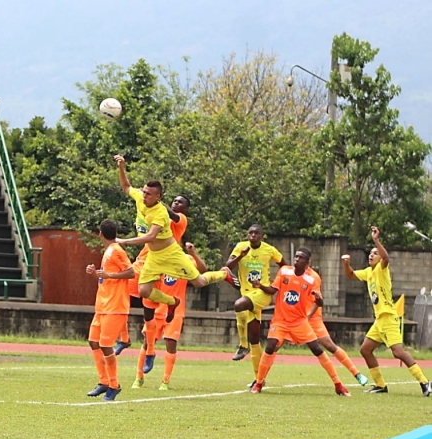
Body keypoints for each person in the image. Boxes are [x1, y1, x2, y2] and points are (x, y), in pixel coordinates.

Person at [113, 155, 231, 326]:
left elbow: (150, 236)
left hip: (170, 254)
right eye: (144, 192)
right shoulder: (140, 197)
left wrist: (123, 241)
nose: (144, 196)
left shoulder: (161, 213)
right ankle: (171, 301)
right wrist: (121, 167)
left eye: (149, 194)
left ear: (158, 197)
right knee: (144, 291)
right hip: (153, 256)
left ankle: (224, 273)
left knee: (199, 282)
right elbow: (126, 186)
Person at [249, 247, 351, 397]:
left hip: (299, 322)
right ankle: (258, 383)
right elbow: (272, 290)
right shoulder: (284, 271)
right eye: (296, 256)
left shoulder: (312, 279)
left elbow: (320, 303)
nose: (297, 259)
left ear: (308, 262)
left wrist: (318, 298)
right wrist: (260, 286)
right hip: (280, 321)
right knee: (270, 346)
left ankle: (338, 384)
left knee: (317, 349)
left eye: (301, 257)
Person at [342, 226, 430, 396]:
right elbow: (350, 275)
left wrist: (376, 240)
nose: (371, 255)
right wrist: (346, 264)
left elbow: (386, 257)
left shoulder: (382, 269)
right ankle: (380, 385)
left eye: (374, 253)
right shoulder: (368, 272)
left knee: (398, 352)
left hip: (389, 317)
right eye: (370, 253)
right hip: (379, 320)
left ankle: (425, 382)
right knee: (365, 350)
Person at [114, 193, 191, 377]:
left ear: (186, 209)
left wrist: (152, 199)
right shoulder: (159, 216)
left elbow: (169, 212)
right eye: (175, 200)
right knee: (120, 286)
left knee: (149, 310)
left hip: (159, 264)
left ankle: (151, 355)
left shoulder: (180, 220)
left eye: (181, 202)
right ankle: (127, 340)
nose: (176, 203)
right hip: (144, 260)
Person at [132, 242, 207, 390]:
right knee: (147, 342)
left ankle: (165, 381)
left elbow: (203, 271)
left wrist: (193, 253)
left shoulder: (185, 259)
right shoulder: (157, 257)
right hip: (157, 307)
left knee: (171, 343)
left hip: (176, 309)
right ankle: (139, 378)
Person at [225, 225, 286, 385]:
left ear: (261, 236)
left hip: (262, 294)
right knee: (255, 338)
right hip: (247, 294)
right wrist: (241, 256)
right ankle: (259, 379)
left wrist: (276, 284)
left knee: (238, 305)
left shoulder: (269, 250)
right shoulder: (240, 247)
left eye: (256, 233)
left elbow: (284, 266)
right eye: (250, 233)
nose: (253, 235)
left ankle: (242, 344)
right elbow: (228, 266)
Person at [85, 219, 134, 401]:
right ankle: (103, 381)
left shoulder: (117, 250)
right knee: (93, 341)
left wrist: (108, 274)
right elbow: (106, 279)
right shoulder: (108, 252)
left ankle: (114, 385)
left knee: (105, 345)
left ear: (100, 234)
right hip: (102, 306)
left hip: (115, 307)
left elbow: (130, 272)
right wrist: (95, 274)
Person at [305, 265, 368, 387]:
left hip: (313, 320)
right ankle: (260, 378)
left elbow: (318, 302)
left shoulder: (314, 278)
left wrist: (307, 317)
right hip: (295, 319)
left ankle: (357, 373)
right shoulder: (294, 275)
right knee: (274, 344)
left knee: (330, 346)